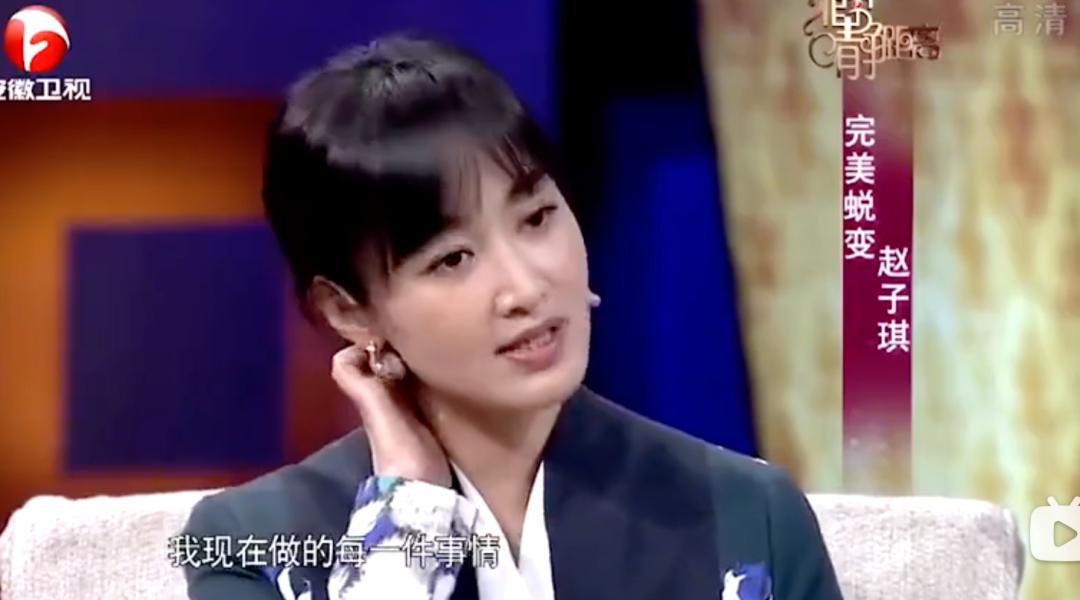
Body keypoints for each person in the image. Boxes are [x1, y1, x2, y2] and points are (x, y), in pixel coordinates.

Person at [181, 35, 843, 600]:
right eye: (452, 259)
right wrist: (408, 513)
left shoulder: (749, 516)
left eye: (537, 217)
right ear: (349, 310)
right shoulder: (253, 545)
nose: (526, 286)